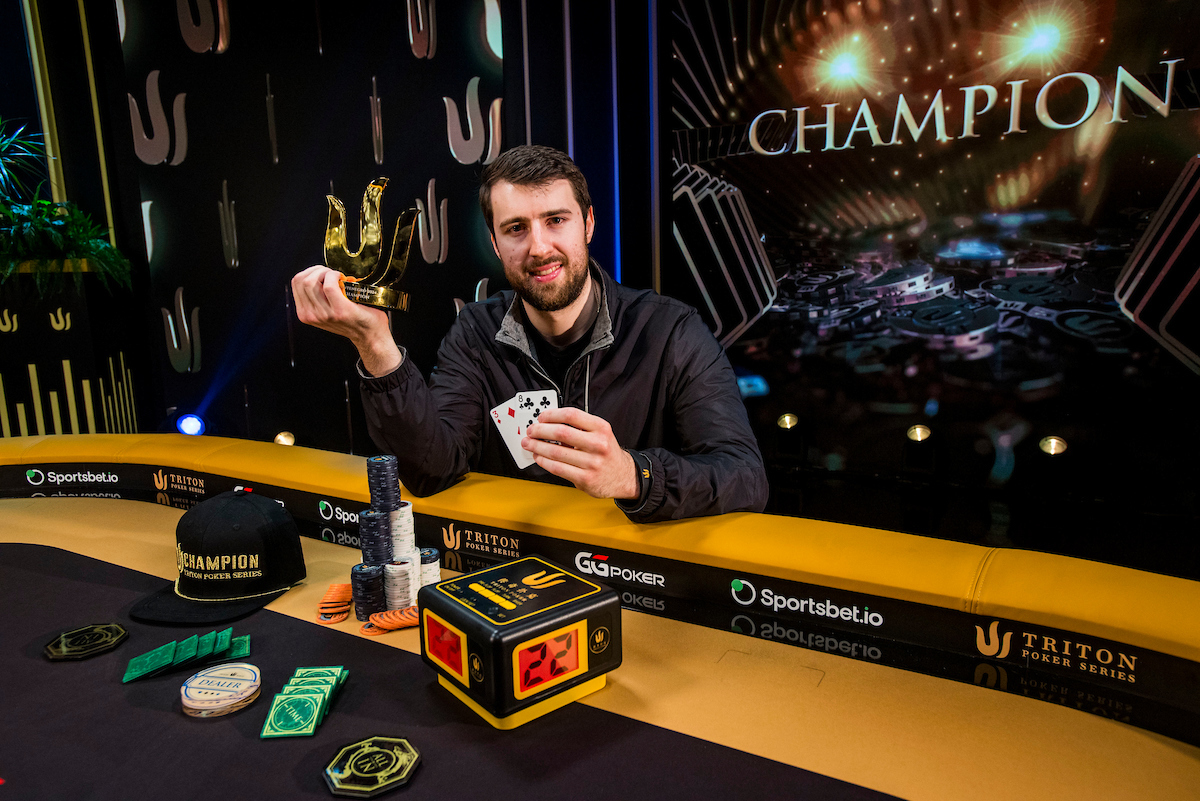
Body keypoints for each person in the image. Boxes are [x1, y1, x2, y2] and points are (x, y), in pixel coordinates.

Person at [292, 145, 767, 522]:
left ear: (588, 224)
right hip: (514, 576)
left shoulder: (671, 331)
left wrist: (634, 475)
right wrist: (375, 344)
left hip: (633, 577)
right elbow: (431, 469)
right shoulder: (475, 332)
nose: (539, 247)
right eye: (516, 228)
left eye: (556, 220)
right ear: (496, 244)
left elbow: (745, 477)